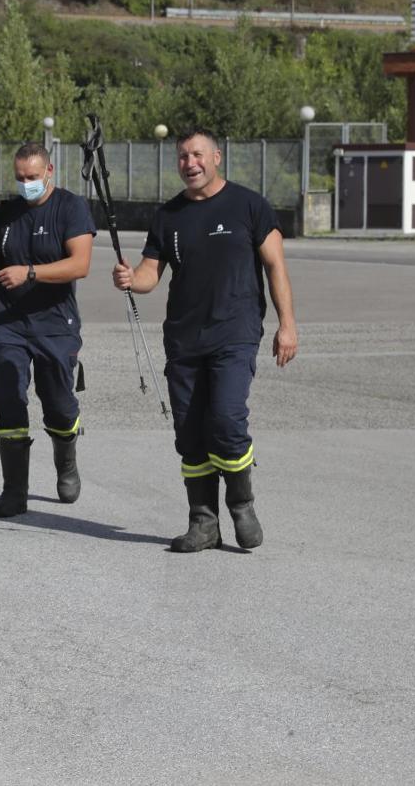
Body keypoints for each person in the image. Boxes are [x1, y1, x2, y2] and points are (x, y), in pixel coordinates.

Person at [112, 128, 297, 552]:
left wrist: (288, 324)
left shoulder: (249, 205)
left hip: (235, 332)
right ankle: (203, 522)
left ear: (216, 156)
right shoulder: (168, 216)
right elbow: (148, 275)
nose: (189, 163)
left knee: (227, 419)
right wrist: (129, 279)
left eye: (197, 154)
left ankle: (241, 504)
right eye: (182, 156)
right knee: (189, 431)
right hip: (183, 338)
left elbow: (276, 268)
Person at [0, 143, 96, 518]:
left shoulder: (71, 208)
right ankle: (14, 491)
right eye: (20, 177)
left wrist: (30, 272)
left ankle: (66, 455)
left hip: (55, 324)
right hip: (8, 323)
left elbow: (80, 264)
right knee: (8, 398)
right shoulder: (7, 212)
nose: (26, 184)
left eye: (32, 177)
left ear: (49, 171)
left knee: (57, 403)